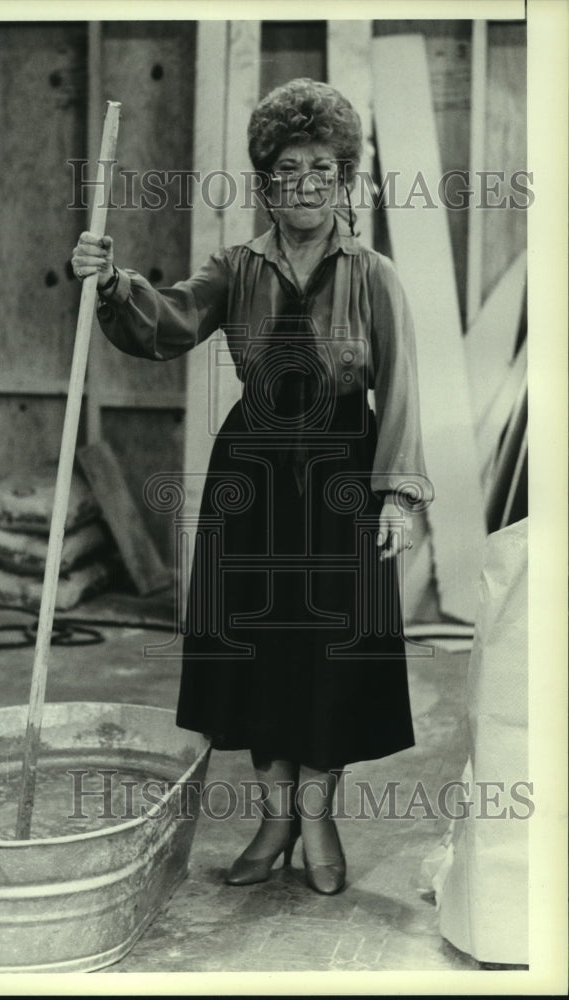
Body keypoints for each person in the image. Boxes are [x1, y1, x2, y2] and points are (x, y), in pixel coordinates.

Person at [71, 77, 430, 895]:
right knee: (263, 649)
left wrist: (399, 495)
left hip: (342, 478)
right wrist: (113, 281)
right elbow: (166, 322)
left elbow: (404, 385)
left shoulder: (373, 274)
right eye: (288, 170)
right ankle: (274, 820)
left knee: (331, 655)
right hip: (254, 477)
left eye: (322, 169)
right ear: (266, 182)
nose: (305, 186)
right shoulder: (235, 268)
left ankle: (318, 820)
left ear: (345, 178)